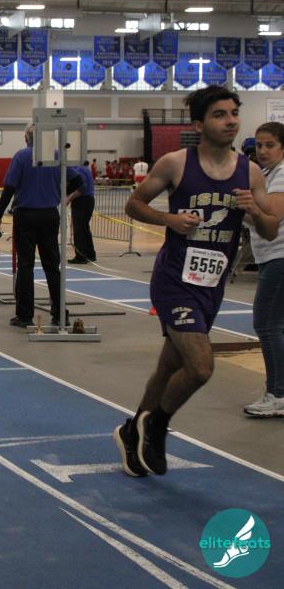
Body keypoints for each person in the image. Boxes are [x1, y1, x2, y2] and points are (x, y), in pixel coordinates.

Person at [114, 87, 278, 477]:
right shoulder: (175, 164)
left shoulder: (250, 171)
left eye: (234, 113)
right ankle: (157, 424)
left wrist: (255, 211)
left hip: (212, 283)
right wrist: (169, 220)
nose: (231, 121)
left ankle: (131, 429)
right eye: (220, 115)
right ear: (199, 124)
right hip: (175, 279)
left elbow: (271, 230)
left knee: (169, 367)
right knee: (201, 367)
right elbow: (133, 203)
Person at [0, 123, 82, 328]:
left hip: (25, 215)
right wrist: (58, 190)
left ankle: (25, 315)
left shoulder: (21, 156)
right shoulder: (56, 156)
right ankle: (60, 314)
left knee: (25, 265)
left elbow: (9, 187)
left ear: (27, 138)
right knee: (52, 266)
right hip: (49, 214)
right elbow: (78, 181)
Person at [244, 122, 284, 417]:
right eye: (259, 145)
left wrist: (246, 206)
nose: (263, 150)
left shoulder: (282, 174)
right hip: (270, 257)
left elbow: (273, 215)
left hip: (280, 257)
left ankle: (278, 393)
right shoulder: (266, 173)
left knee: (267, 324)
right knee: (275, 325)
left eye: (270, 145)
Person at [67, 162, 97, 264]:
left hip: (82, 201)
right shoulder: (84, 168)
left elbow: (82, 188)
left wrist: (68, 199)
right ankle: (90, 254)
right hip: (88, 200)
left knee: (79, 229)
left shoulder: (78, 170)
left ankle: (80, 256)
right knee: (84, 228)